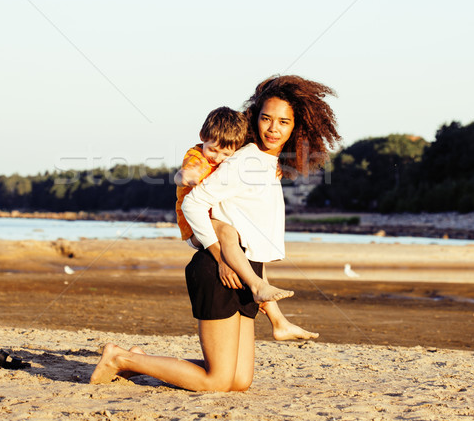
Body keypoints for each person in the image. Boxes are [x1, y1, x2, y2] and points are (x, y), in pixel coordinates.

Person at [90, 75, 340, 391]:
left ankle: (136, 359)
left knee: (239, 381)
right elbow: (194, 203)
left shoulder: (267, 163)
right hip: (218, 269)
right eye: (266, 118)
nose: (273, 128)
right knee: (218, 380)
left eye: (283, 122)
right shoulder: (245, 159)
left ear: (296, 127)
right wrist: (219, 255)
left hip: (246, 269)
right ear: (254, 118)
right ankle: (119, 359)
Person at [174, 106, 294, 305]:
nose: (217, 158)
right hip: (194, 227)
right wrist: (186, 176)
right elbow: (182, 175)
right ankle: (257, 286)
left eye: (225, 155)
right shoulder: (198, 157)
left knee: (251, 248)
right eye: (213, 150)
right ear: (203, 136)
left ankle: (278, 320)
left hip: (213, 220)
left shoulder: (233, 156)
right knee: (228, 232)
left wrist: (274, 163)